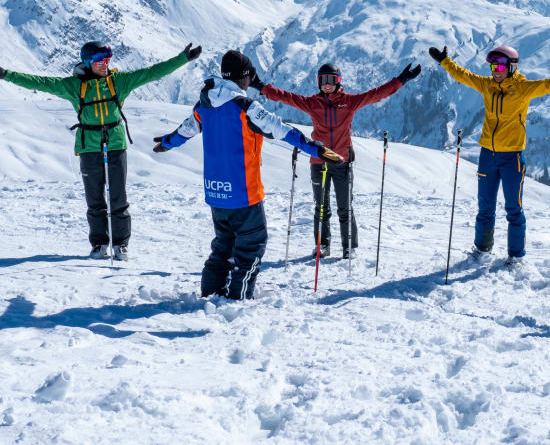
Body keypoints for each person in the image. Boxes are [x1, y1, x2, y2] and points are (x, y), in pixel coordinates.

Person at [152, 50, 342, 300]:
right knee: (251, 247)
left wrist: (166, 143)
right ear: (244, 77)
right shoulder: (246, 107)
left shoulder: (204, 105)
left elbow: (185, 131)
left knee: (223, 246)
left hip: (216, 193)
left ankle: (210, 295)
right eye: (250, 76)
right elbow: (281, 130)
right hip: (244, 193)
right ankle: (237, 300)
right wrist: (316, 148)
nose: (251, 81)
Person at [0, 41, 201, 260]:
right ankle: (99, 243)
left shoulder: (119, 82)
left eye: (107, 60)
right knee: (94, 198)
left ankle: (121, 244)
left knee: (118, 196)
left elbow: (151, 73)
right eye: (99, 61)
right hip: (88, 145)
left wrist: (183, 58)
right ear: (88, 62)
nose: (105, 65)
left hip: (115, 142)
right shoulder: (73, 86)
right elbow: (39, 82)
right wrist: (6, 74)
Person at [428, 44, 550, 264]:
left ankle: (516, 257)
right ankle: (482, 250)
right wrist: (445, 61)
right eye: (493, 65)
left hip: (512, 158)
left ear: (512, 66)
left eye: (500, 66)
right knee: (485, 207)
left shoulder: (523, 88)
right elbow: (464, 75)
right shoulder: (487, 85)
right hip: (487, 155)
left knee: (514, 209)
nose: (495, 70)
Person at [250, 61, 421, 258]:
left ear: (338, 81)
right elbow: (286, 98)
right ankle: (323, 245)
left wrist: (401, 80)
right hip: (319, 162)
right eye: (323, 80)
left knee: (344, 207)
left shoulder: (349, 102)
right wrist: (260, 86)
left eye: (331, 80)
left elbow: (377, 94)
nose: (327, 84)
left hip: (342, 162)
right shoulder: (312, 104)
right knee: (321, 208)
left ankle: (350, 247)